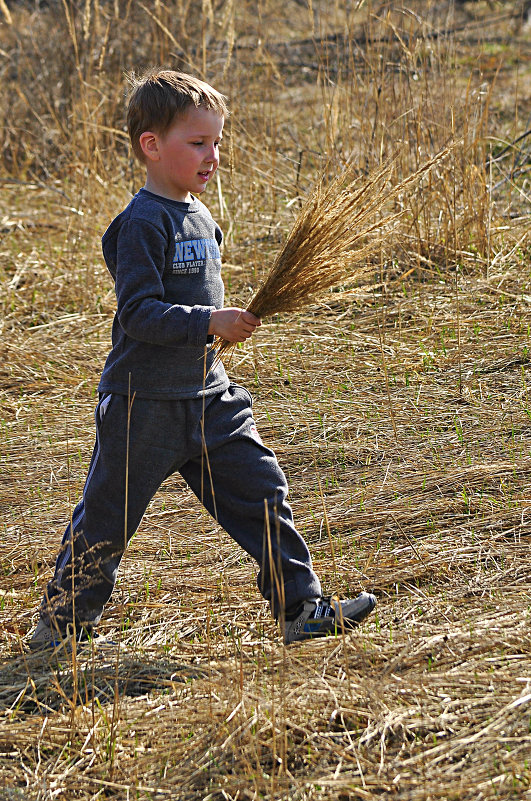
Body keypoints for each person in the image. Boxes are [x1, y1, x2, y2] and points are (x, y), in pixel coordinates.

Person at [29, 69, 376, 650]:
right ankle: (60, 629)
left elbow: (200, 307)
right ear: (152, 146)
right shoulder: (139, 224)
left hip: (210, 398)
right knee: (106, 521)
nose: (212, 155)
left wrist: (220, 332)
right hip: (144, 405)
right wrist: (206, 323)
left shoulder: (201, 216)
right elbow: (139, 313)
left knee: (263, 491)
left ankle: (302, 607)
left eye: (217, 142)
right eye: (198, 143)